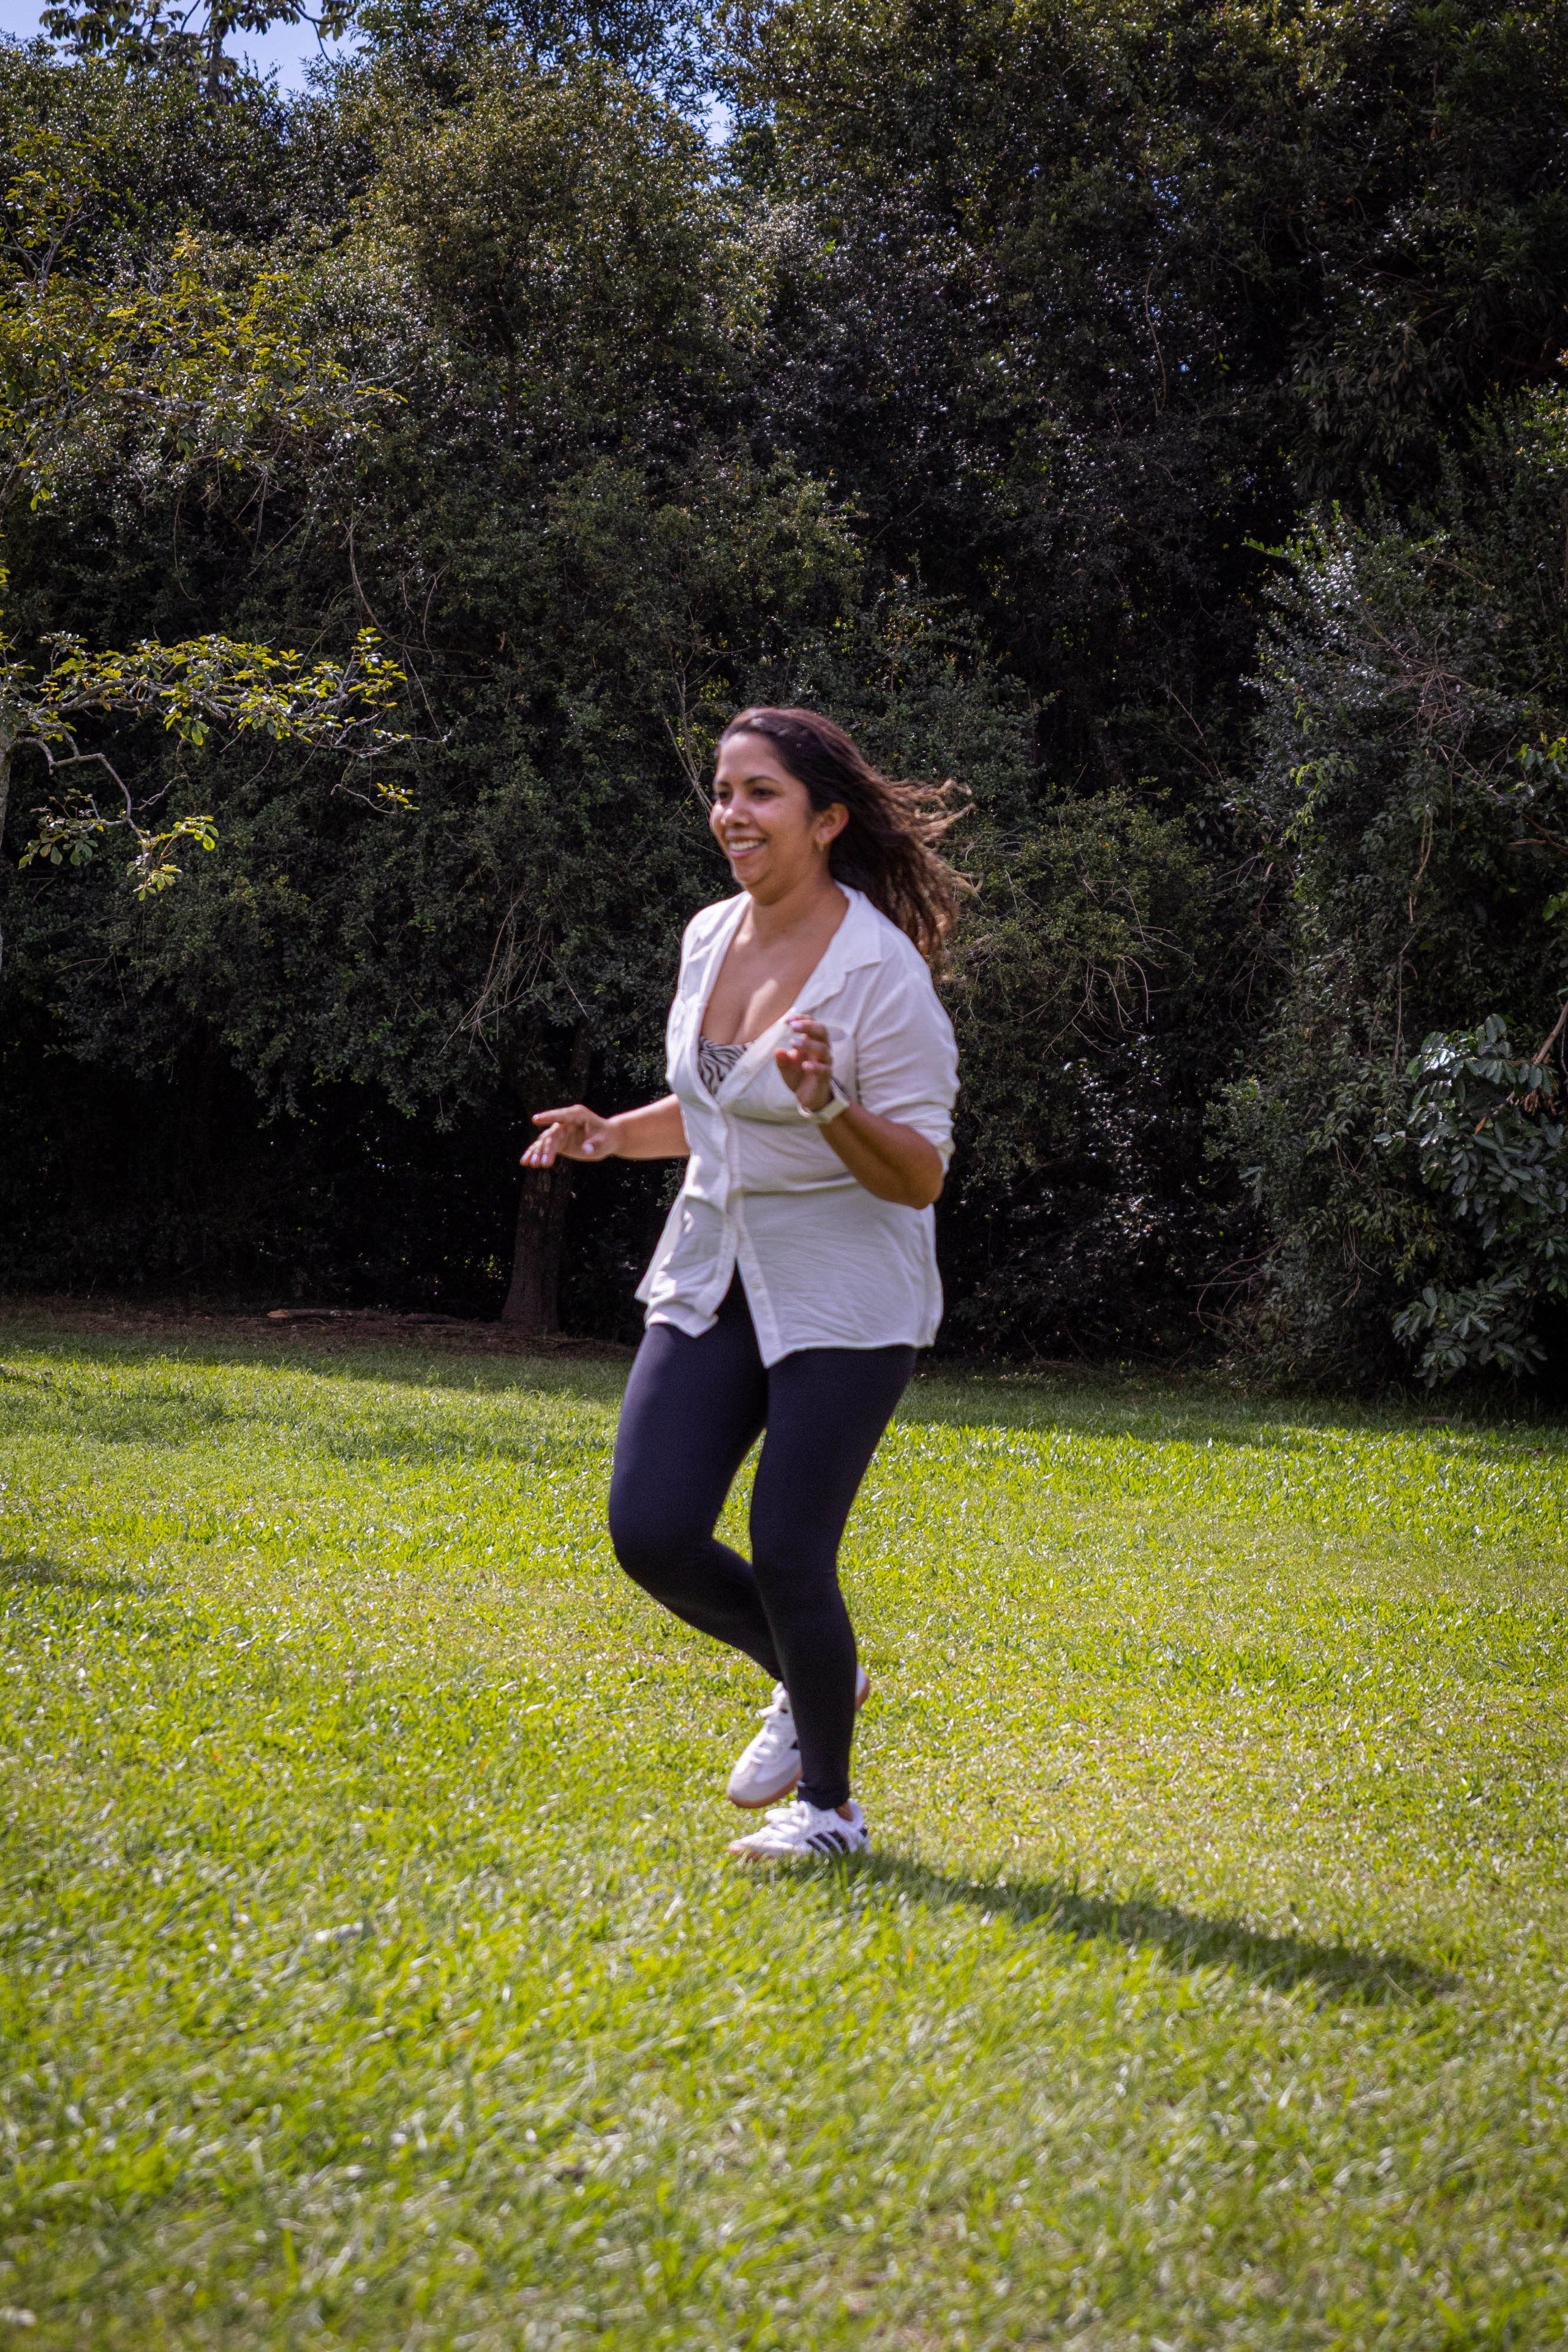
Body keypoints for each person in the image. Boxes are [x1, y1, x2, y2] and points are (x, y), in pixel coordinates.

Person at [522, 707, 963, 1860]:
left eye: (761, 794)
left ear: (827, 820)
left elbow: (917, 1174)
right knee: (651, 1529)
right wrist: (610, 1135)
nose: (732, 815)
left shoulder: (884, 974)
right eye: (724, 792)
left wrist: (827, 1103)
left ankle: (830, 1811)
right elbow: (714, 1103)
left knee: (788, 1551)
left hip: (844, 1292)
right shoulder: (709, 933)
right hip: (718, 1264)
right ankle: (818, 1672)